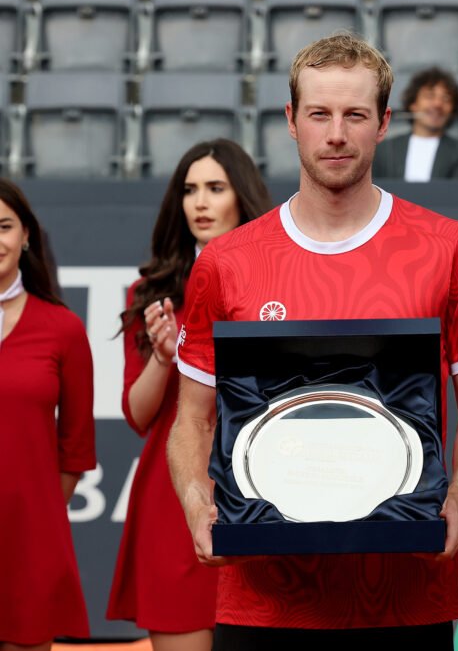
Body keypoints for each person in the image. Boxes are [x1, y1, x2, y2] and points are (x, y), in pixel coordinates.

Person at [167, 32, 458, 649]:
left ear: (384, 123)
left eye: (355, 115)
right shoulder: (226, 261)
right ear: (292, 121)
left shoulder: (450, 248)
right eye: (319, 114)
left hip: (408, 596)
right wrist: (196, 501)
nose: (336, 134)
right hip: (264, 601)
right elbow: (193, 421)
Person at [106, 139, 273, 651]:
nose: (200, 202)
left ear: (241, 197)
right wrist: (163, 356)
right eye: (190, 190)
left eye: (215, 188)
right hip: (174, 498)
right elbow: (138, 415)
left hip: (263, 490)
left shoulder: (278, 280)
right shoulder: (150, 290)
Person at [0, 179, 95, 650]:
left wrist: (32, 517)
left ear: (26, 236)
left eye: (4, 226)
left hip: (29, 541)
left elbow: (75, 451)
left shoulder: (63, 328)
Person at [372, 66, 458, 180]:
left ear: (452, 110)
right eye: (430, 96)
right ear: (413, 104)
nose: (438, 104)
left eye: (446, 98)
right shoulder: (385, 150)